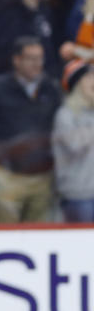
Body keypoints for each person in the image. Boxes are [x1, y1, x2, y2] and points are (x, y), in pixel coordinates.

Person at [0, 36, 61, 223]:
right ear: (16, 60)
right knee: (4, 236)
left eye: (40, 58)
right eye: (31, 58)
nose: (37, 64)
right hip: (6, 173)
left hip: (43, 175)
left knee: (40, 239)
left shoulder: (51, 89)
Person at [52, 60, 94, 222]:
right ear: (77, 84)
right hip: (78, 195)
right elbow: (75, 145)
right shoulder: (66, 115)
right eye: (89, 78)